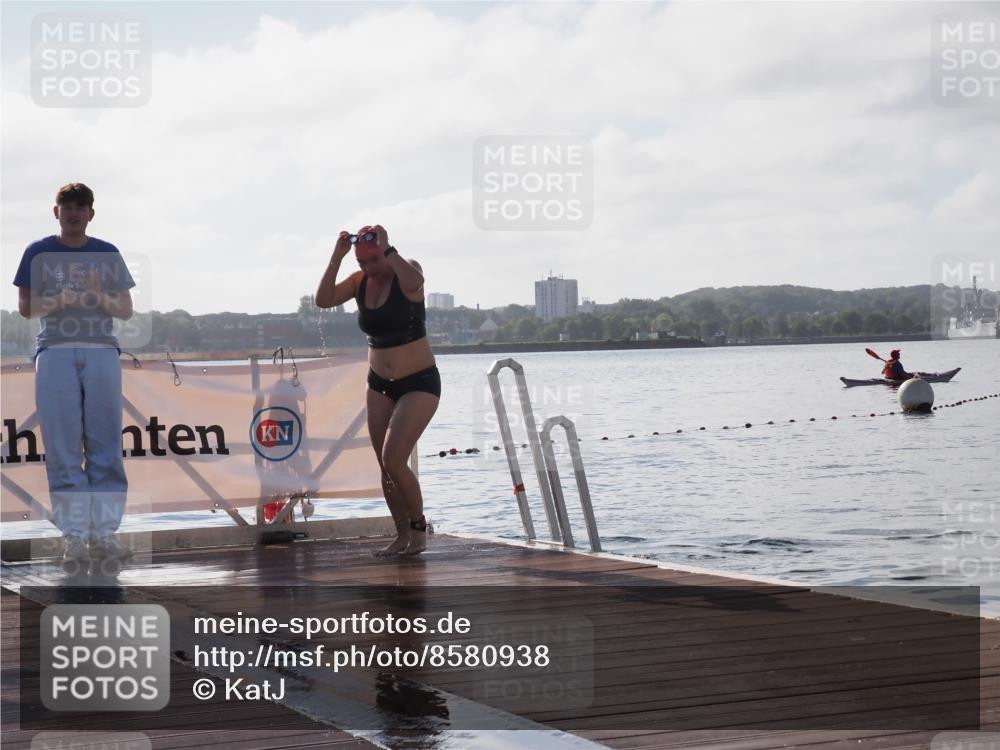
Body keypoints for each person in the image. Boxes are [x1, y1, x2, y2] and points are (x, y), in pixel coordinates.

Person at [13, 183, 136, 564]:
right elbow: (25, 308)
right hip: (54, 352)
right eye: (67, 206)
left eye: (81, 207)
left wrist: (99, 296)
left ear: (91, 214)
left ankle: (104, 535)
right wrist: (59, 301)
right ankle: (75, 536)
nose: (73, 212)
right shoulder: (37, 251)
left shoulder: (107, 252)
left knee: (105, 446)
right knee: (63, 448)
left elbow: (126, 310)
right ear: (56, 212)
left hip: (101, 350)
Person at [315, 224, 439, 556]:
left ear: (385, 251)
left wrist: (389, 251)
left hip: (420, 382)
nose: (369, 269)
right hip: (379, 384)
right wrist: (337, 257)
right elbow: (323, 300)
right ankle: (401, 536)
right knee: (384, 466)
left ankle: (419, 530)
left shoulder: (405, 269)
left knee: (394, 458)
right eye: (363, 263)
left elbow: (416, 283)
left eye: (373, 261)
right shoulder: (360, 282)